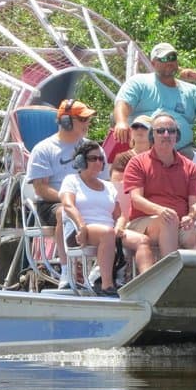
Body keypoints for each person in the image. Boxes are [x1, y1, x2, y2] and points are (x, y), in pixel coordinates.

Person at [26, 99, 104, 288]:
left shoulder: (94, 149)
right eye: (83, 119)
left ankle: (104, 272)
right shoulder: (45, 149)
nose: (88, 123)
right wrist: (69, 198)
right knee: (65, 212)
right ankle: (67, 270)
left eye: (88, 119)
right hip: (53, 203)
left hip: (89, 201)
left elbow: (104, 181)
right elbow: (41, 189)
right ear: (67, 122)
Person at [59, 141, 152, 296]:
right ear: (81, 161)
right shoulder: (71, 180)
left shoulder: (108, 186)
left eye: (101, 159)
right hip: (81, 230)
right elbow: (68, 206)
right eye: (93, 158)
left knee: (142, 240)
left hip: (109, 231)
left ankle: (148, 286)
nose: (98, 162)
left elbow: (120, 215)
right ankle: (107, 285)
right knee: (107, 233)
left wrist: (120, 227)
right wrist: (81, 226)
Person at [124, 112, 196, 266]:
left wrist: (191, 216)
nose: (166, 134)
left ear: (177, 135)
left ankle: (190, 278)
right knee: (169, 219)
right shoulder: (137, 162)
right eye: (160, 131)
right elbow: (136, 200)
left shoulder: (190, 166)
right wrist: (161, 211)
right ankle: (170, 274)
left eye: (171, 131)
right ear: (152, 135)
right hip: (143, 223)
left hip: (178, 223)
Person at [111, 43, 196, 159]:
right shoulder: (139, 82)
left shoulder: (191, 91)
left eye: (172, 57)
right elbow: (123, 103)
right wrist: (121, 122)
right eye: (163, 59)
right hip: (143, 151)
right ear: (153, 63)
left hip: (181, 151)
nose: (169, 62)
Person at [110, 114, 153, 219]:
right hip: (127, 208)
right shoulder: (122, 158)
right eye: (135, 126)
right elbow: (118, 188)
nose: (139, 129)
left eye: (144, 127)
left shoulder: (159, 158)